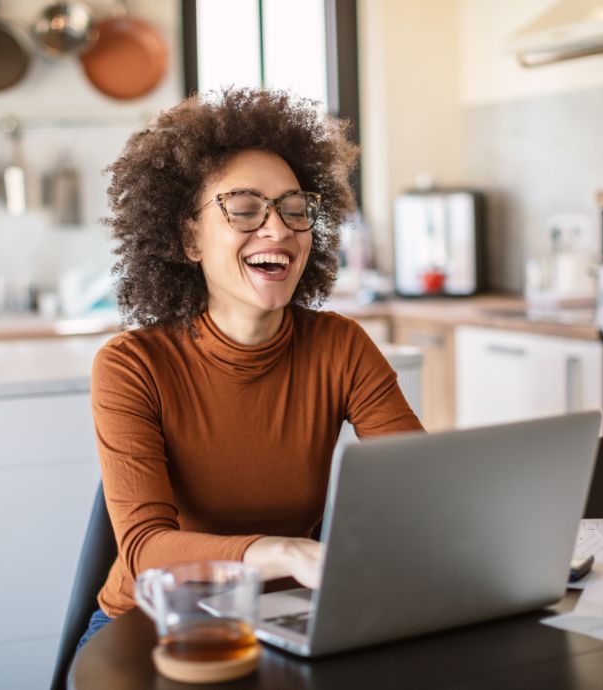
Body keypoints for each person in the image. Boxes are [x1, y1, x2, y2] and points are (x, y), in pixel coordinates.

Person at [80, 87, 423, 644]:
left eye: (294, 209)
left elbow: (418, 482)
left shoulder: (341, 345)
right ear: (188, 237)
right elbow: (146, 551)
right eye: (243, 209)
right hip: (149, 626)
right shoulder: (132, 365)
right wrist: (285, 551)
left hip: (284, 614)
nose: (279, 229)